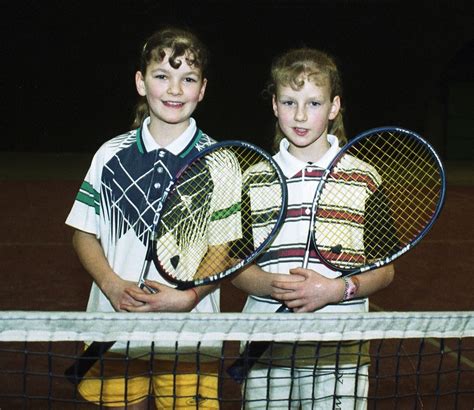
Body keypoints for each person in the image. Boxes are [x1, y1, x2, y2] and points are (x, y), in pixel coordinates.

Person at [65, 26, 233, 409]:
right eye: (162, 76)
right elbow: (83, 233)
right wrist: (110, 284)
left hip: (192, 337)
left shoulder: (221, 160)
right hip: (115, 331)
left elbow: (226, 248)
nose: (174, 90)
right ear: (141, 83)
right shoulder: (110, 154)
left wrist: (188, 296)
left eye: (187, 79)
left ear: (202, 89)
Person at [232, 48, 395, 408]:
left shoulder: (364, 178)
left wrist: (337, 290)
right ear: (275, 105)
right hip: (266, 343)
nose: (301, 115)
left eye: (314, 103)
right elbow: (236, 267)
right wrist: (271, 286)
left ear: (334, 107)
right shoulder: (254, 180)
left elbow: (385, 269)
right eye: (290, 102)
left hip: (341, 345)